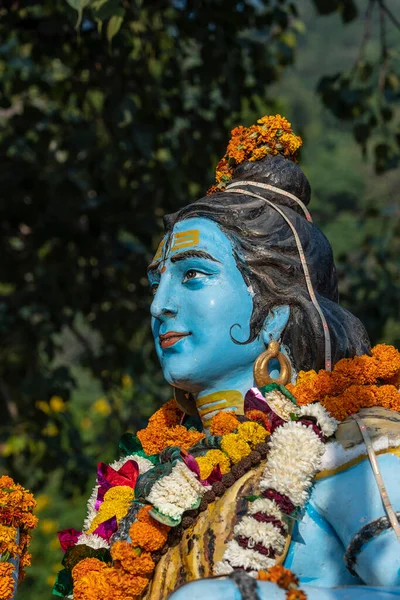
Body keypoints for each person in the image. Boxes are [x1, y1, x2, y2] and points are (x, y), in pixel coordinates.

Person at [53, 116, 400, 600]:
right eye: (157, 283)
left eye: (193, 275)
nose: (159, 306)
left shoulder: (351, 441)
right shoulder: (148, 491)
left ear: (276, 314)